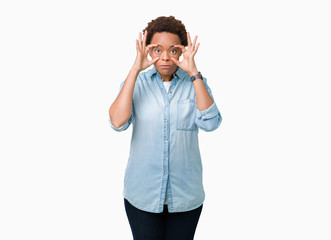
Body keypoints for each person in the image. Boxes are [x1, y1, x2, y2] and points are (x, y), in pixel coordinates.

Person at [108, 16, 222, 240]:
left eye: (173, 50)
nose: (165, 57)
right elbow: (117, 122)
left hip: (185, 197)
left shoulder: (196, 83)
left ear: (182, 52)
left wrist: (194, 73)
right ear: (148, 51)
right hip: (143, 195)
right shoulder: (136, 84)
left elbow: (211, 123)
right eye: (157, 50)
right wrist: (134, 69)